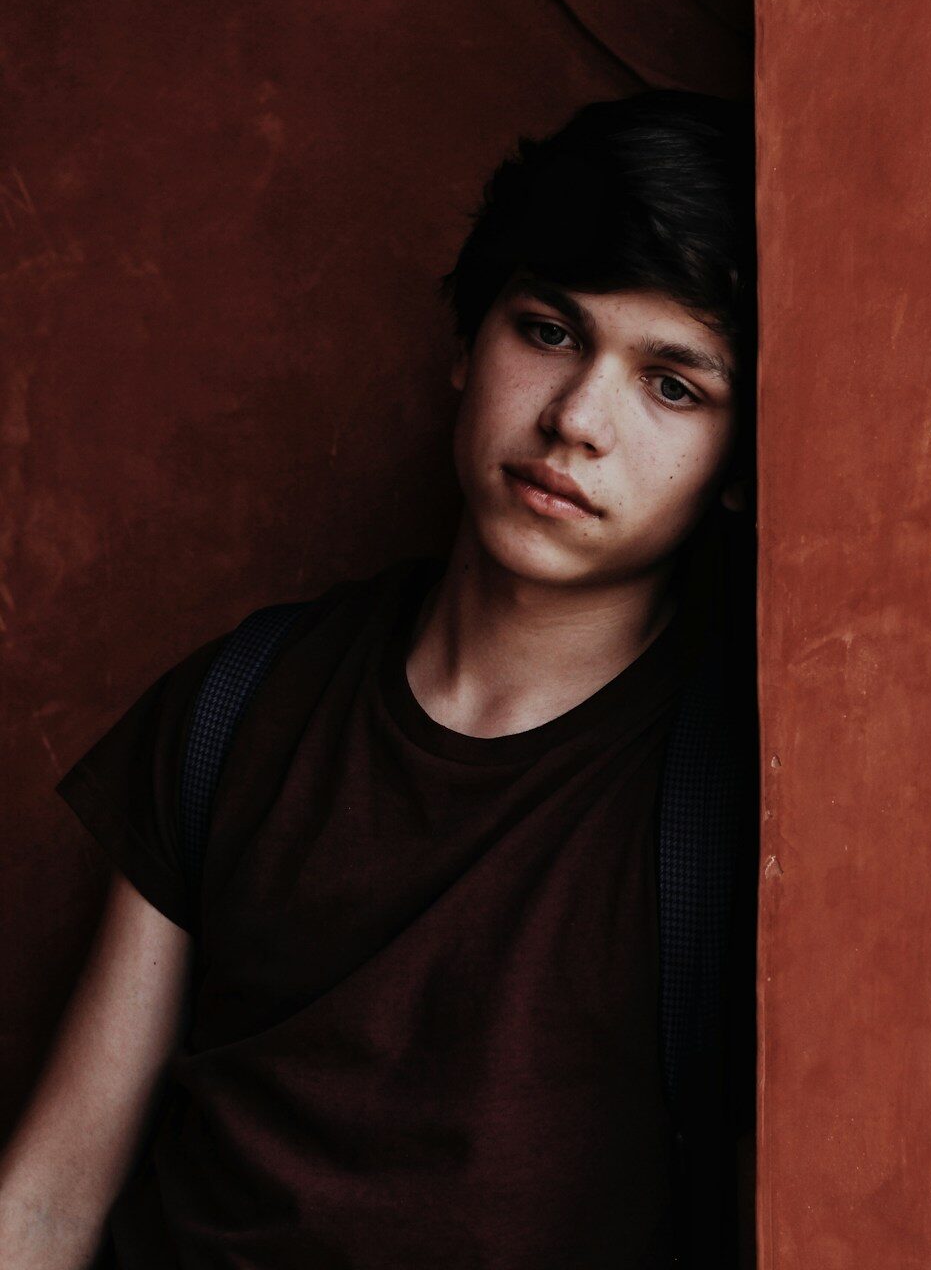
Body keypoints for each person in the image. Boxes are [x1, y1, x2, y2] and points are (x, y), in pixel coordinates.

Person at [0, 89, 758, 1268]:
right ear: (468, 343)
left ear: (736, 467)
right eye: (549, 330)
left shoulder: (739, 790)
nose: (575, 420)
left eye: (672, 383)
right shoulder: (237, 703)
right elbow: (48, 1201)